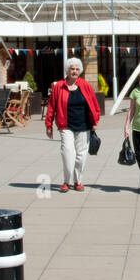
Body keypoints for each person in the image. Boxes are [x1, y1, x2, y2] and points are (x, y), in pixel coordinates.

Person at [45, 57, 100, 192]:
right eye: (72, 69)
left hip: (84, 125)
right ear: (67, 70)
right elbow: (51, 106)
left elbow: (94, 105)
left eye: (77, 69)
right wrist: (49, 125)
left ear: (79, 71)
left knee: (81, 156)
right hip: (66, 125)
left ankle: (78, 181)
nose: (74, 71)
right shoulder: (59, 86)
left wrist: (95, 121)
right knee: (68, 153)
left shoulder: (85, 85)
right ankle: (66, 181)